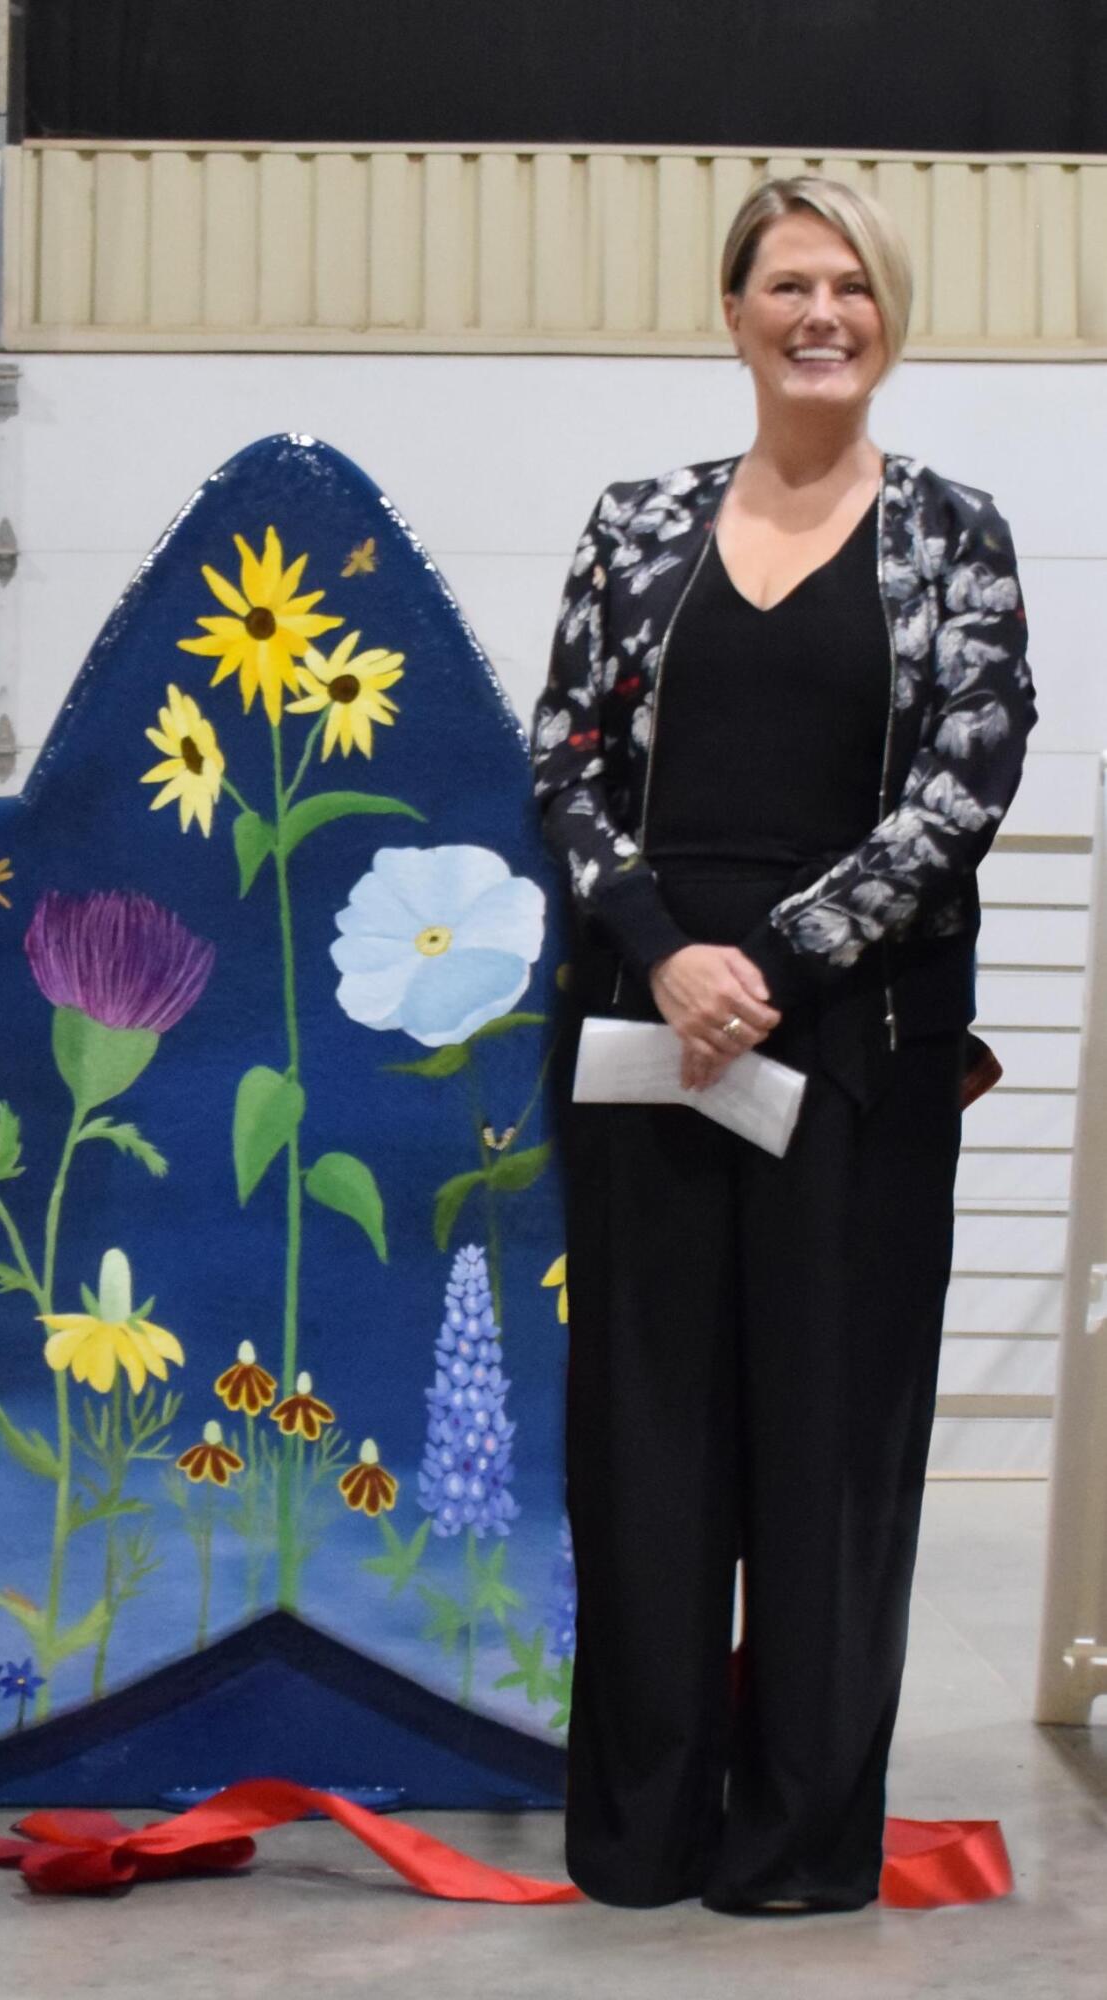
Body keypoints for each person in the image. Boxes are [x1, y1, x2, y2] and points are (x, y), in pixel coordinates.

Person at [532, 175, 1036, 1915]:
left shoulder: (956, 536)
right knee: (650, 1441)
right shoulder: (635, 523)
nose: (822, 313)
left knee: (828, 1448)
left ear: (887, 319)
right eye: (787, 284)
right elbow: (568, 769)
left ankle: (796, 1839)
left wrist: (774, 959)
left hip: (855, 1051)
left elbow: (961, 790)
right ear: (734, 311)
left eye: (853, 287)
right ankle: (645, 1828)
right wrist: (670, 957)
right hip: (644, 1041)